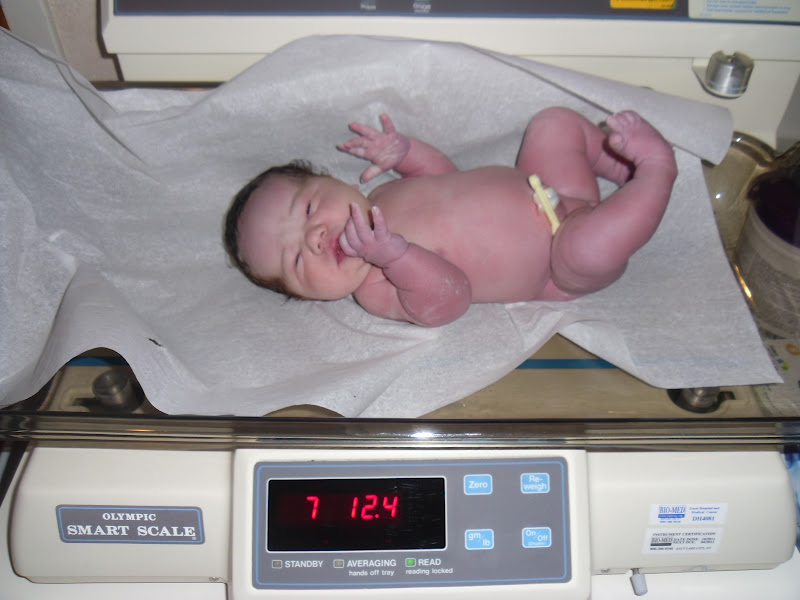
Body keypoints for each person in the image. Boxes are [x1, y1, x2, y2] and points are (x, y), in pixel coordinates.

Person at [224, 107, 677, 327]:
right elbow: (451, 298)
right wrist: (396, 256)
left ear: (335, 181)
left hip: (548, 183)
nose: (315, 238)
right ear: (312, 297)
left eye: (307, 210)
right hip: (558, 260)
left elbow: (443, 176)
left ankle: (620, 168)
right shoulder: (377, 290)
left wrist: (405, 152)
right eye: (297, 261)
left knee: (552, 124)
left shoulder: (383, 194)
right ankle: (655, 169)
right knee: (589, 248)